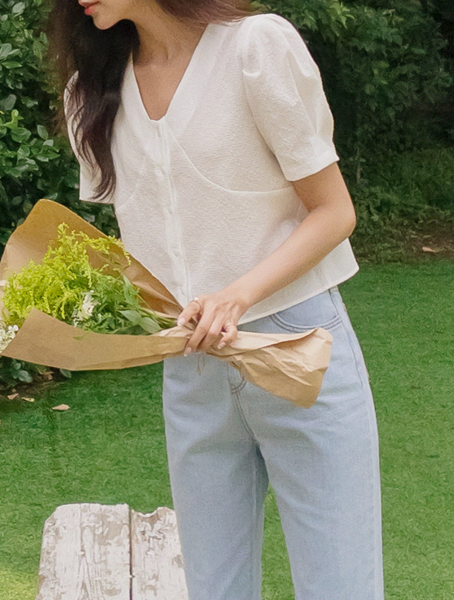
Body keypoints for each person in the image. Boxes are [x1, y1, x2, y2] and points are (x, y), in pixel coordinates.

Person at [47, 1, 384, 598]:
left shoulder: (255, 48)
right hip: (191, 364)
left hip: (296, 347)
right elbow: (156, 237)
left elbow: (335, 212)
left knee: (342, 586)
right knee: (214, 589)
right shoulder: (92, 91)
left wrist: (237, 294)